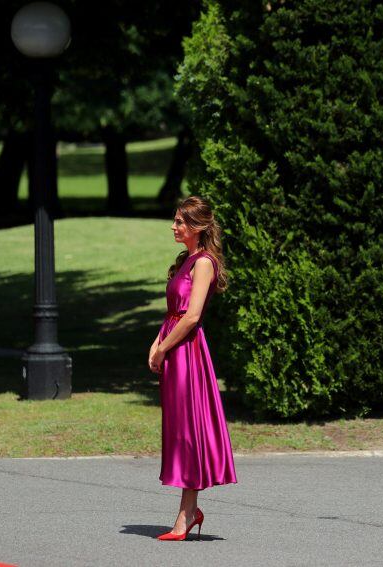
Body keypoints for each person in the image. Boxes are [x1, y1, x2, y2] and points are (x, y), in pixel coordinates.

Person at [148, 195, 237, 541]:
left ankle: (186, 517)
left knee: (189, 430)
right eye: (175, 220)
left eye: (180, 222)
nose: (174, 226)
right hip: (174, 351)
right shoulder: (186, 260)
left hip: (188, 355)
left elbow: (193, 316)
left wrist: (165, 346)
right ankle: (187, 515)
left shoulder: (203, 263)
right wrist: (156, 343)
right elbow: (173, 313)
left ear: (198, 227)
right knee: (180, 430)